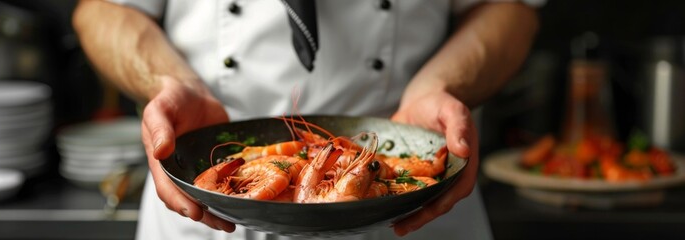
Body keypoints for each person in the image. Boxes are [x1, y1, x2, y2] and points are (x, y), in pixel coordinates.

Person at [73, 0, 541, 239]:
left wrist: (445, 86)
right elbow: (102, 9)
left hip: (414, 223)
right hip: (210, 221)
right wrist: (168, 81)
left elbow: (509, 8)